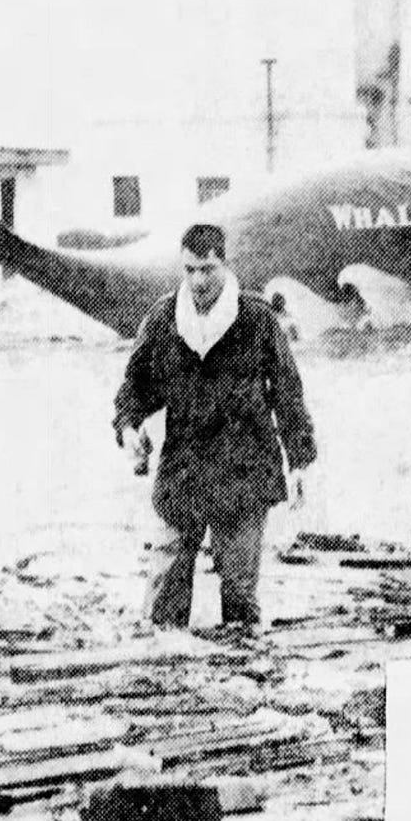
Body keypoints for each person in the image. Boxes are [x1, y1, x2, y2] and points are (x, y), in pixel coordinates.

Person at [114, 223, 316, 630]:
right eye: (190, 270)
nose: (198, 280)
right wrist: (129, 428)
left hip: (243, 471)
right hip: (183, 471)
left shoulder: (257, 319)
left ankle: (244, 671)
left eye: (207, 269)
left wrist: (299, 462)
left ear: (224, 264)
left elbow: (288, 393)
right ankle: (163, 673)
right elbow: (135, 388)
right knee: (164, 589)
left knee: (239, 592)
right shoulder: (163, 319)